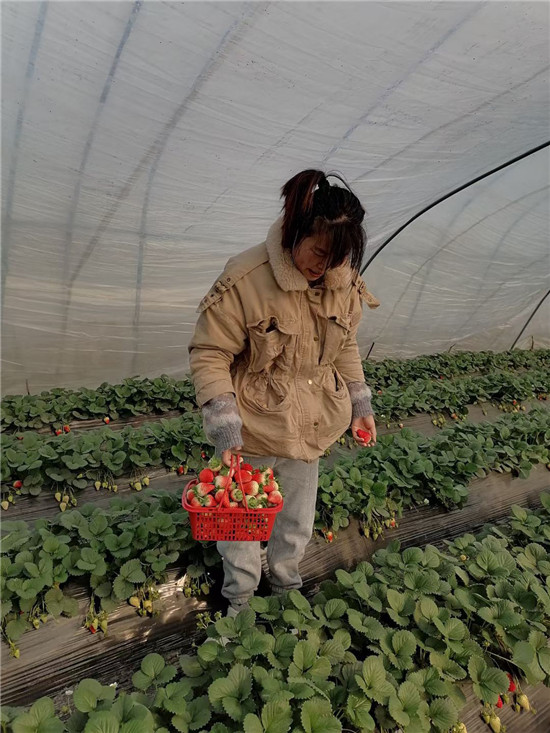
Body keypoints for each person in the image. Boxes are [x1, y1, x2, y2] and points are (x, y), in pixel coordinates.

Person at [188, 169, 380, 616]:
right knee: (240, 522)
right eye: (319, 252)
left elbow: (346, 344)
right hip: (253, 428)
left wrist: (359, 401)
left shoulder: (342, 282)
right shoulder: (247, 278)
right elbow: (210, 352)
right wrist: (224, 424)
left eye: (337, 257)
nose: (324, 267)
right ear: (296, 231)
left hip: (310, 425)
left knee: (295, 520)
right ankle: (239, 600)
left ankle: (286, 587)